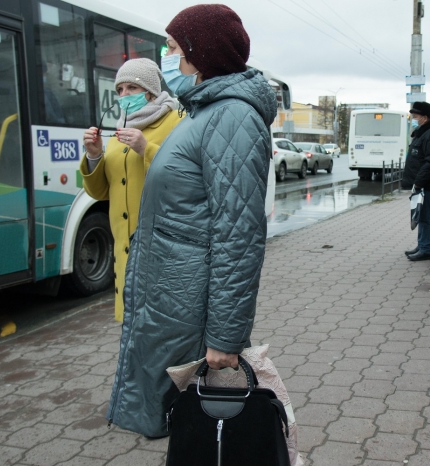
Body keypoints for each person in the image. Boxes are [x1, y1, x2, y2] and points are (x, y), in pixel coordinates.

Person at [107, 4, 277, 438]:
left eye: (176, 50)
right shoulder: (205, 111)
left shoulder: (232, 116)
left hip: (190, 302)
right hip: (173, 293)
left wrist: (225, 335)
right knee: (178, 421)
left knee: (196, 422)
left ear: (204, 53)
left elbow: (238, 235)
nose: (172, 61)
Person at [80, 58, 181, 322]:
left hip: (162, 250)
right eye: (119, 90)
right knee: (134, 336)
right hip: (125, 255)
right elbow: (101, 191)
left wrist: (145, 148)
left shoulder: (175, 121)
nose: (123, 95)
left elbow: (185, 178)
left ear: (149, 91)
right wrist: (94, 156)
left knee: (162, 333)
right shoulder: (121, 128)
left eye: (131, 89)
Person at [401, 101, 430, 261]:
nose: (413, 119)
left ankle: (426, 249)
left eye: (415, 116)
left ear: (425, 118)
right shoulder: (421, 134)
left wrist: (418, 182)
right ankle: (422, 245)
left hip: (425, 184)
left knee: (426, 216)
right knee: (419, 214)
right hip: (419, 184)